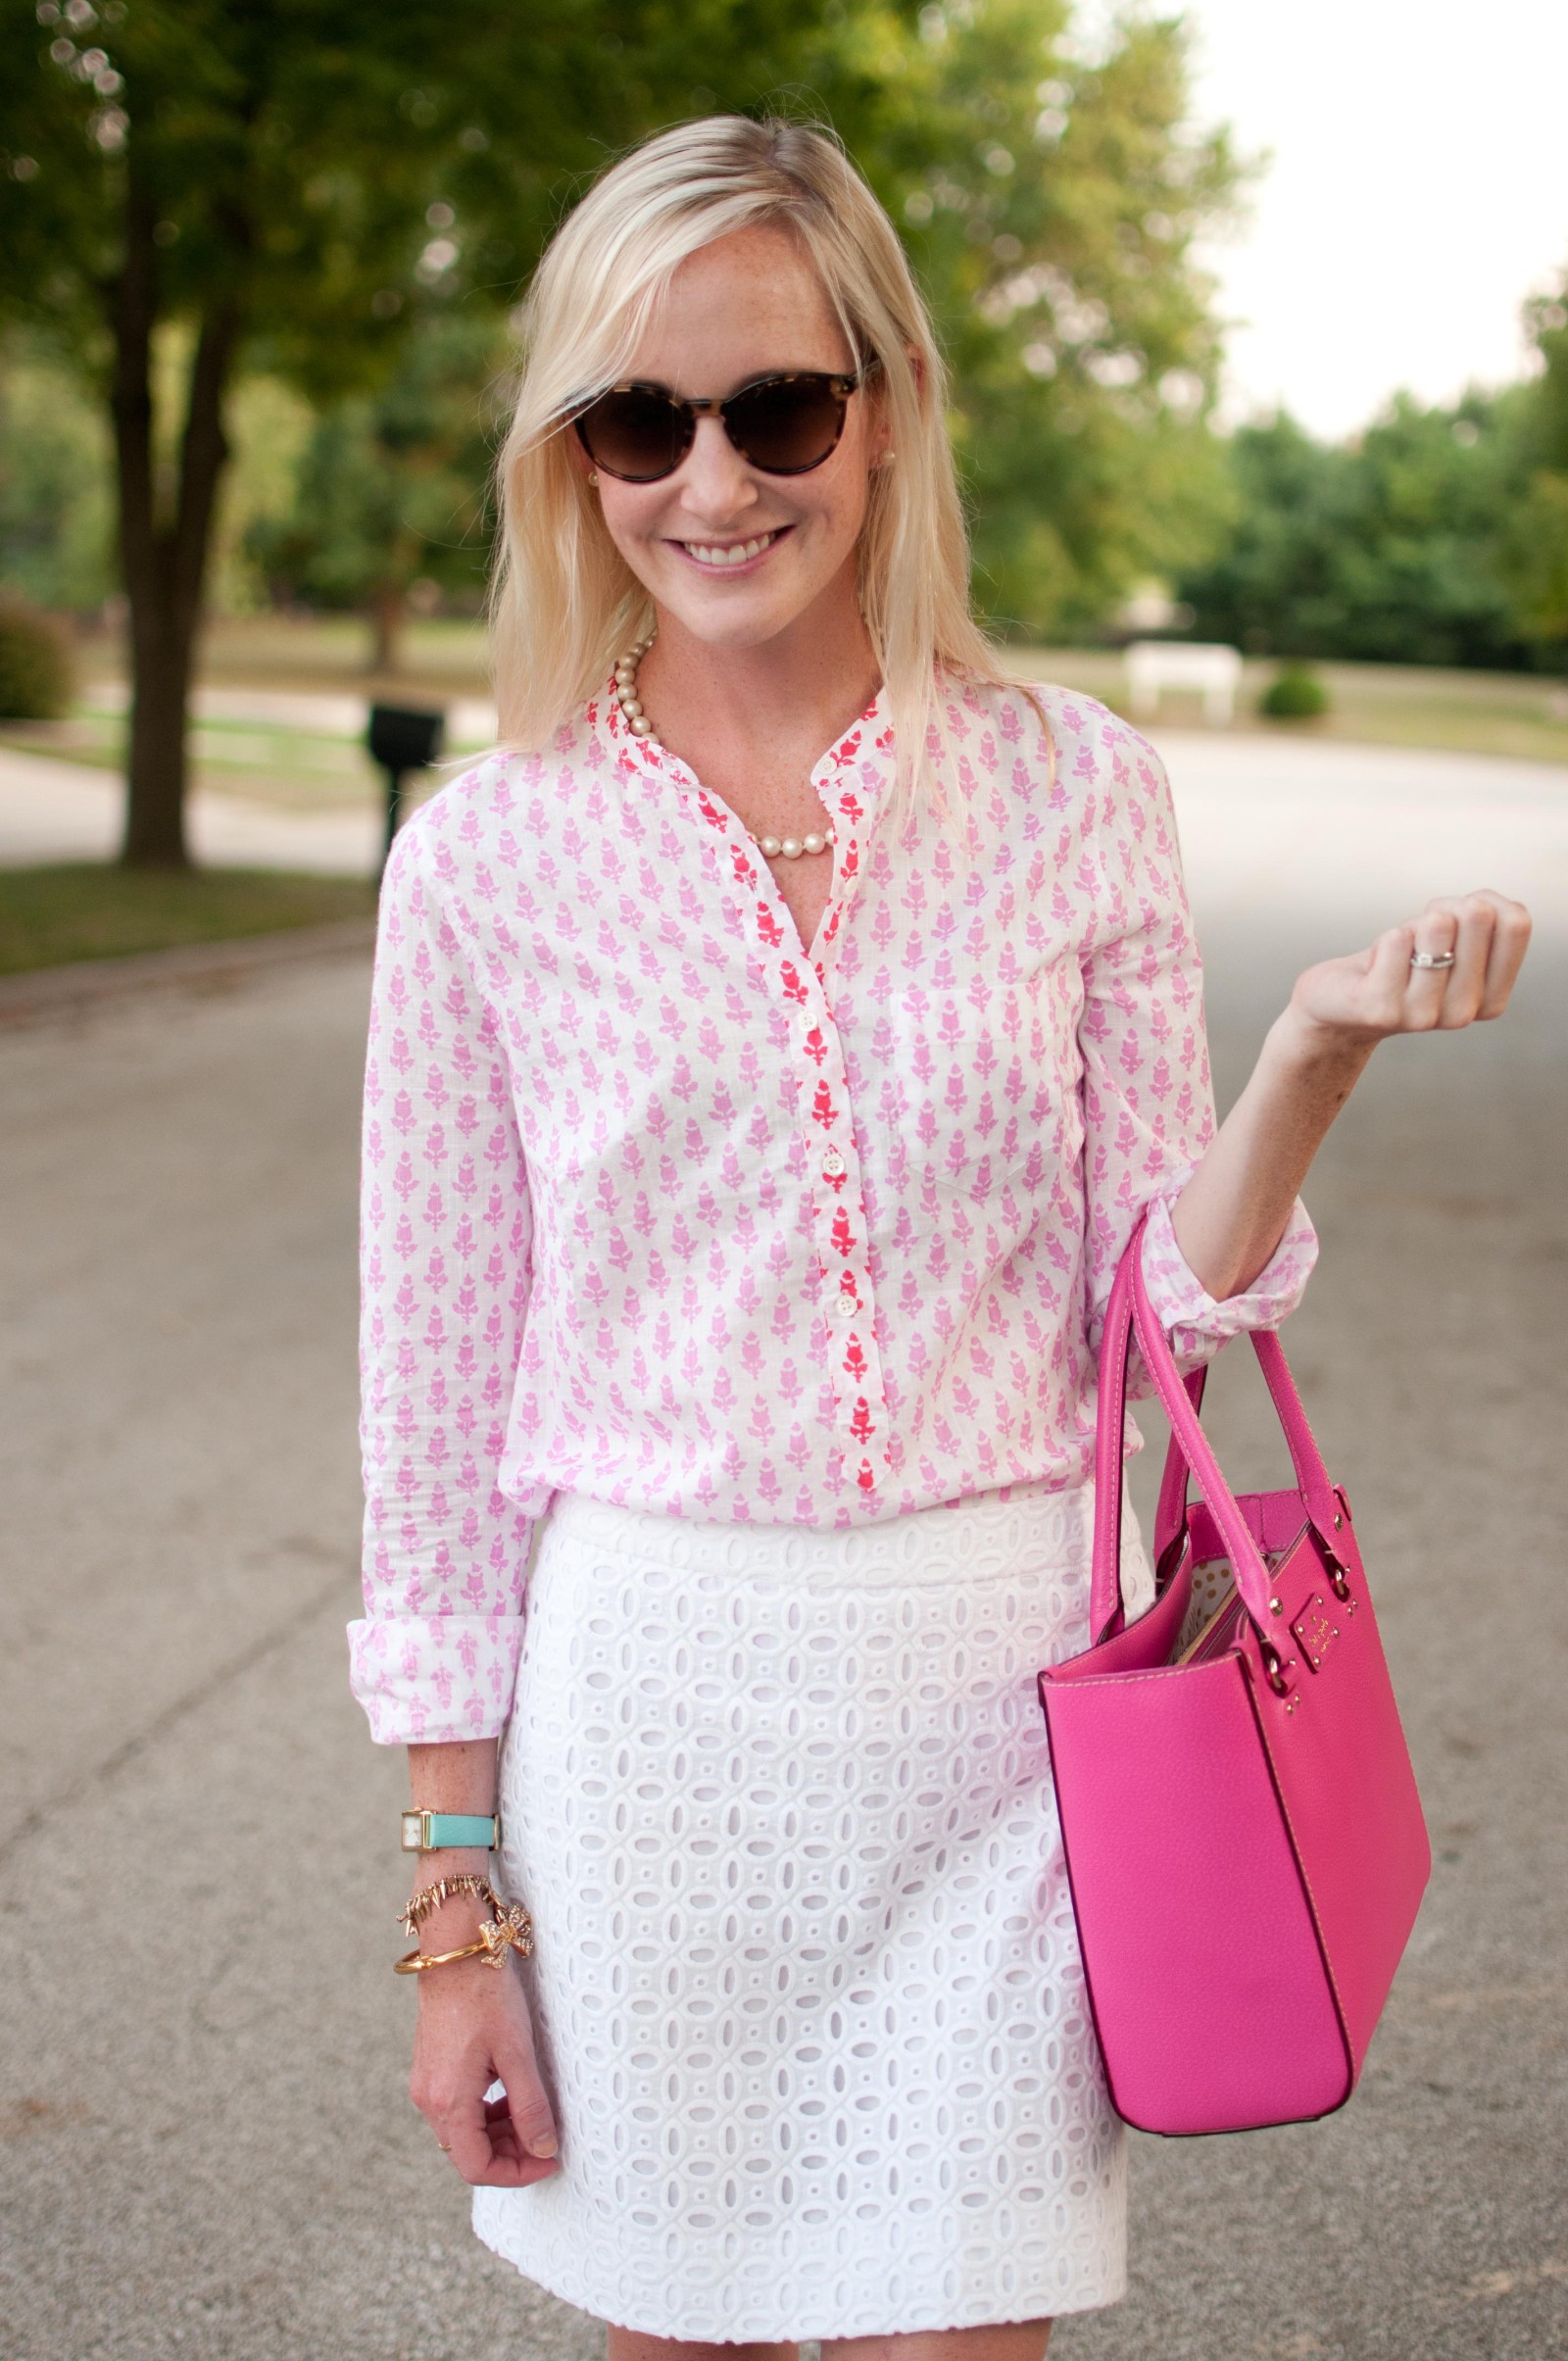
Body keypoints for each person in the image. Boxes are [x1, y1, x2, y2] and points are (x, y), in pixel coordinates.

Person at [348, 116, 1530, 2361]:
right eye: (637, 417)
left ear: (881, 408)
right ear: (568, 452)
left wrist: (1302, 1054)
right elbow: (429, 1414)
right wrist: (452, 1900)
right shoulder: (485, 866)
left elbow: (1154, 1314)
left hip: (994, 1733)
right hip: (650, 1741)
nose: (711, 481)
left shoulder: (1075, 784)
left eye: (774, 405)